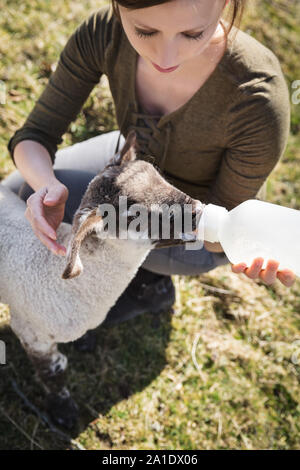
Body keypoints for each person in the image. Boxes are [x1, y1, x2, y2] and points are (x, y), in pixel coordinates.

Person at [2, 0, 296, 333]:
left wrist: (246, 247)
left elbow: (218, 233)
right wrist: (46, 185)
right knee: (19, 193)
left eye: (192, 33)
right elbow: (35, 135)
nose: (165, 58)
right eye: (145, 31)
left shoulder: (257, 98)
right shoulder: (105, 32)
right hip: (133, 168)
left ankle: (148, 286)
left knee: (68, 212)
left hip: (198, 227)